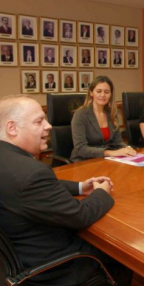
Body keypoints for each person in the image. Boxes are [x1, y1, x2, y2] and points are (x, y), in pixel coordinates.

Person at [0, 95, 132, 285]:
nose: (48, 126)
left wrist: (79, 186)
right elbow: (80, 216)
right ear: (12, 128)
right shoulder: (32, 173)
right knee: (120, 250)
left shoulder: (12, 163)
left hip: (17, 253)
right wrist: (101, 192)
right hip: (53, 266)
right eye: (39, 121)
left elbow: (29, 188)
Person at [71, 75, 136, 162]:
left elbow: (117, 142)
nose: (102, 95)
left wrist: (127, 148)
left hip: (106, 160)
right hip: (85, 161)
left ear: (110, 94)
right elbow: (80, 149)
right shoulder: (80, 114)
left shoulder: (111, 113)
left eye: (106, 92)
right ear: (91, 93)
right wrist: (110, 153)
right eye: (98, 91)